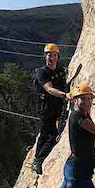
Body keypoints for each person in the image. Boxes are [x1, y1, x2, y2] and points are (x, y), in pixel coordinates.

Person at [30, 43, 69, 174]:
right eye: (49, 55)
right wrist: (65, 95)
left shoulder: (60, 70)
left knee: (52, 133)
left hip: (57, 106)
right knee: (48, 134)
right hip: (46, 107)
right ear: (45, 57)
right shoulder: (42, 72)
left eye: (54, 55)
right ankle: (37, 160)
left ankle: (38, 158)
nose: (51, 58)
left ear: (57, 56)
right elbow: (49, 89)